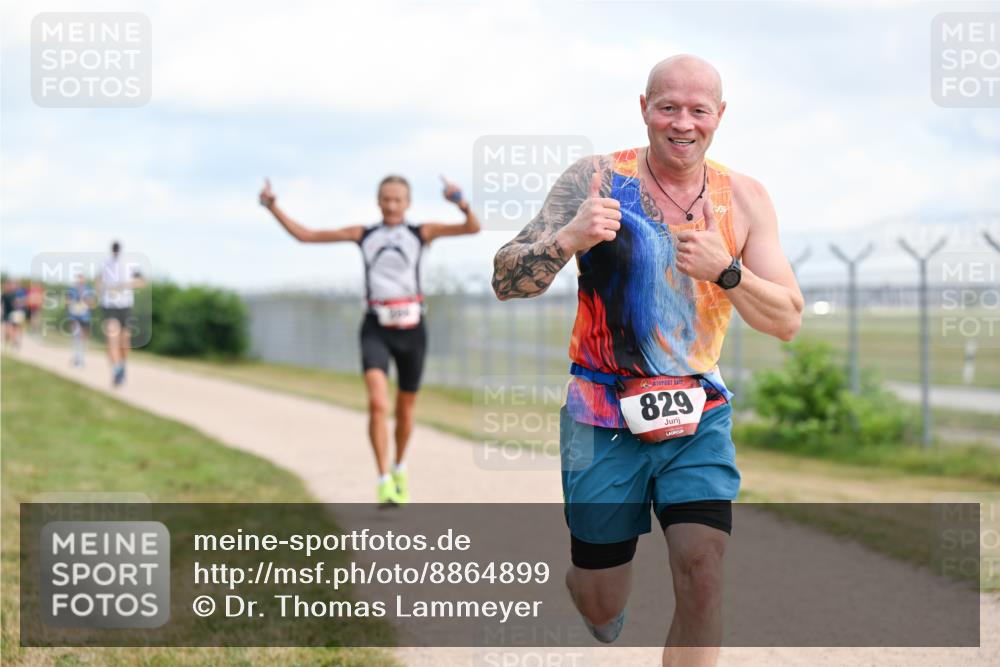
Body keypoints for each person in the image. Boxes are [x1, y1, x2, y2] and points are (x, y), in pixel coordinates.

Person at [492, 55, 802, 666]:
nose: (682, 122)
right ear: (644, 108)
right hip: (602, 413)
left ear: (719, 115)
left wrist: (727, 271)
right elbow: (506, 278)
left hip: (698, 414)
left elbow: (787, 319)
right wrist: (568, 240)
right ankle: (590, 588)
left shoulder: (745, 197)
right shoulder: (596, 178)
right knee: (603, 605)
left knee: (703, 570)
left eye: (698, 110)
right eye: (668, 107)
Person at [259, 174, 480, 505]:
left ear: (408, 204)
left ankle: (400, 466)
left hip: (413, 329)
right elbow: (306, 236)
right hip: (375, 326)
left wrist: (460, 201)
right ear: (378, 202)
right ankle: (382, 479)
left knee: (405, 410)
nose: (391, 205)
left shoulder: (422, 233)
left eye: (398, 200)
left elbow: (472, 227)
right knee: (377, 403)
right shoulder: (365, 235)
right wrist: (273, 208)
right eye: (386, 199)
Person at [96, 241, 146, 386]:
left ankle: (122, 365)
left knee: (124, 342)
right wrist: (104, 288)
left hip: (125, 306)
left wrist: (124, 285)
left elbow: (142, 282)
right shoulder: (104, 264)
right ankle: (116, 370)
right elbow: (98, 282)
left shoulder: (130, 264)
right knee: (112, 337)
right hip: (109, 305)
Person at [65, 274, 96, 367]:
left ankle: (81, 358)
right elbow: (67, 301)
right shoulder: (71, 290)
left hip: (85, 316)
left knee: (83, 338)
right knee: (75, 336)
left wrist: (86, 301)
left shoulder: (89, 290)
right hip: (74, 315)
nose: (80, 281)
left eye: (81, 279)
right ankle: (76, 357)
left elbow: (92, 303)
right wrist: (72, 303)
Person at [2, 280, 26, 350]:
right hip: (9, 313)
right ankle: (12, 341)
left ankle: (14, 341)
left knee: (15, 327)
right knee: (10, 328)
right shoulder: (5, 294)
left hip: (15, 313)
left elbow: (19, 303)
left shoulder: (16, 293)